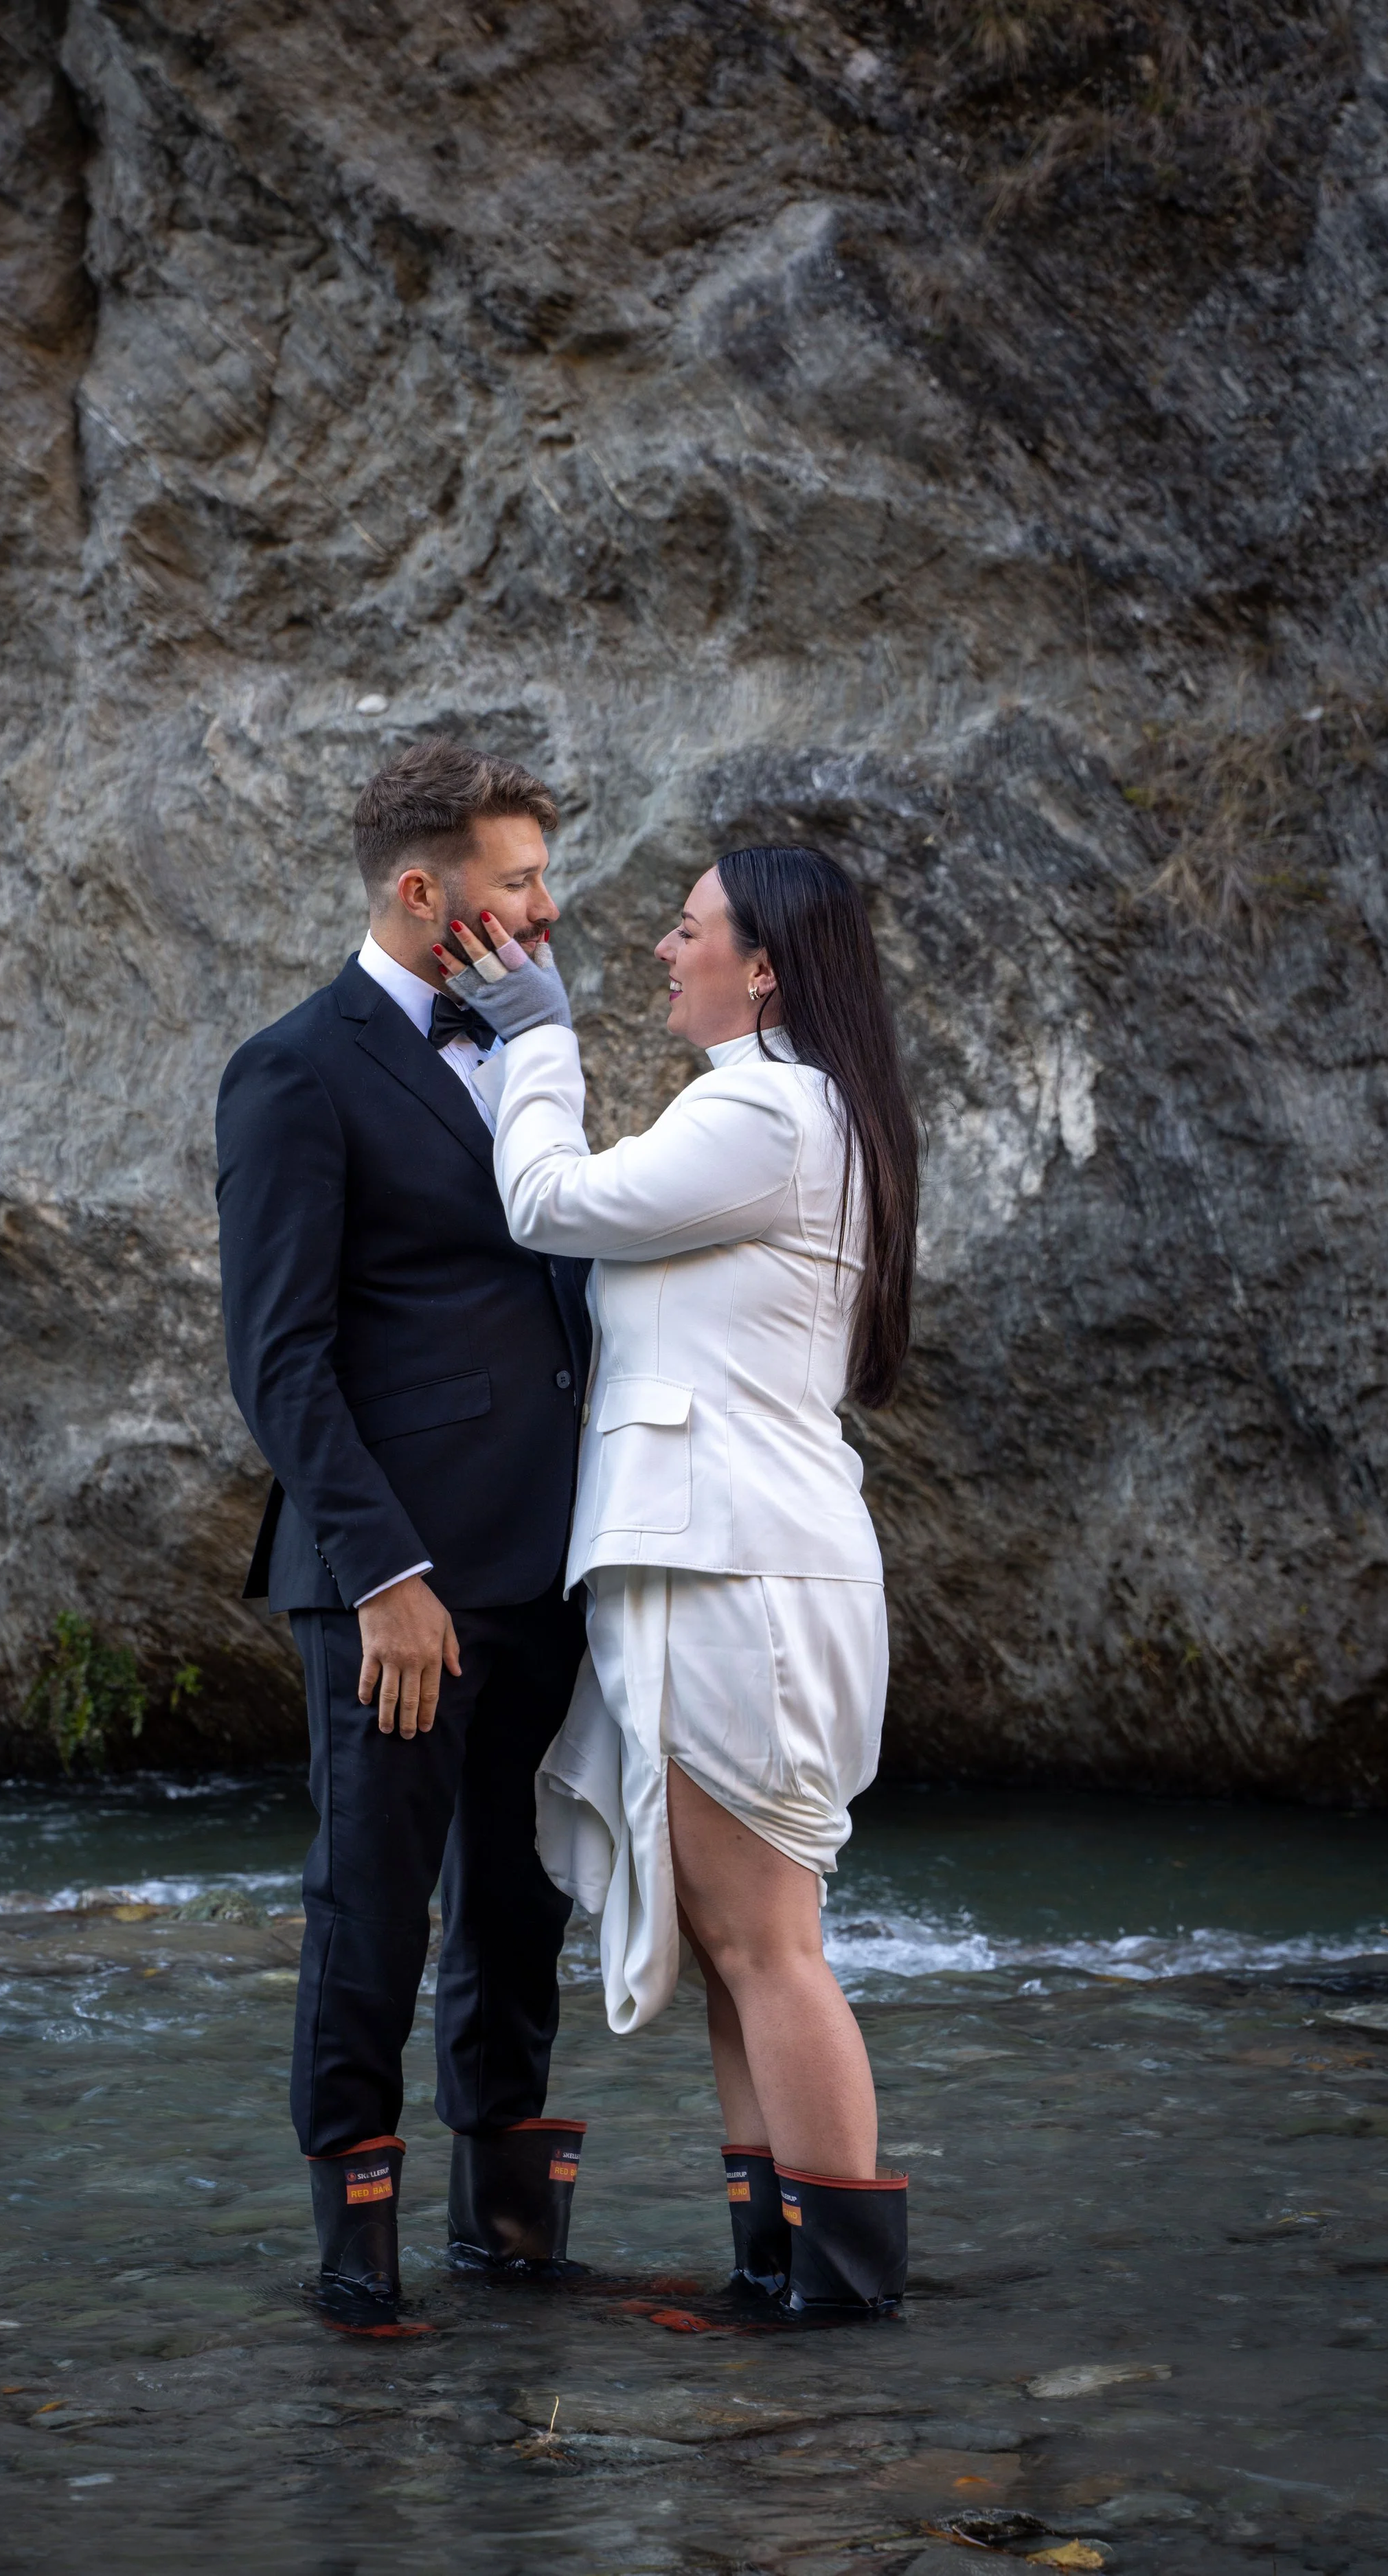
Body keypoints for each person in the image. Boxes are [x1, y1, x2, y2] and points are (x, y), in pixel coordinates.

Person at [435, 844, 920, 2322]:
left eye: (689, 927)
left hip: (737, 1570)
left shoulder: (767, 1109)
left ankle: (840, 2293)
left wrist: (536, 1037)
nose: (661, 945)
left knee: (765, 1942)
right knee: (736, 1946)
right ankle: (772, 2270)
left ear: (761, 963)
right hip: (729, 1559)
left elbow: (547, 1200)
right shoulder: (791, 1108)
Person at [214, 740, 593, 2325]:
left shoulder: (528, 1035)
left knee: (520, 1906)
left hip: (549, 1559)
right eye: (516, 880)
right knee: (371, 1906)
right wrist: (383, 1572)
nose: (544, 905)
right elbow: (276, 1354)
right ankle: (353, 2271)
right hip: (395, 1584)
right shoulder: (292, 1069)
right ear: (420, 888)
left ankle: (505, 2245)